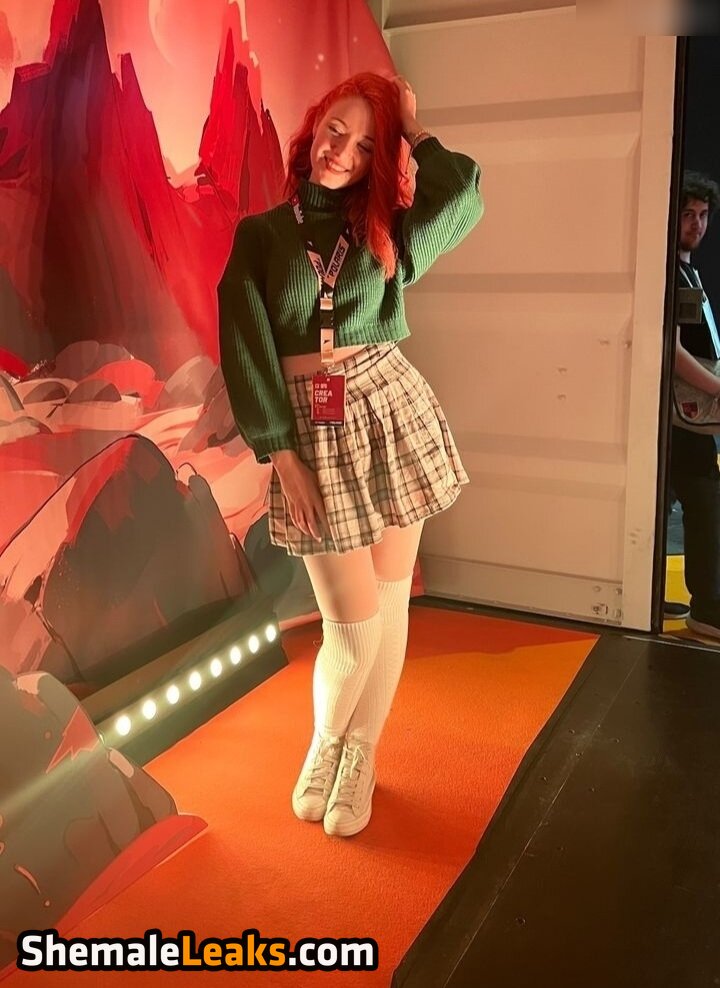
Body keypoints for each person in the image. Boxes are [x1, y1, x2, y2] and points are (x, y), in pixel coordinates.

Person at [218, 71, 482, 837]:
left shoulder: (385, 230)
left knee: (390, 605)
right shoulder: (263, 235)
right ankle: (326, 744)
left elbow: (463, 193)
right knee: (352, 624)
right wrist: (282, 455)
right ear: (312, 130)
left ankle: (359, 753)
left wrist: (413, 130)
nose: (344, 151)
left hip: (391, 409)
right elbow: (244, 347)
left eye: (368, 145)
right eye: (337, 130)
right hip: (311, 431)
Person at [670, 170, 720, 638]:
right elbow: (673, 350)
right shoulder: (671, 271)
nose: (697, 224)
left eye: (703, 215)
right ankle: (707, 608)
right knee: (705, 505)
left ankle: (649, 593)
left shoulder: (686, 269)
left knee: (669, 502)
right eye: (687, 213)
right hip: (684, 416)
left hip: (685, 413)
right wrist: (717, 387)